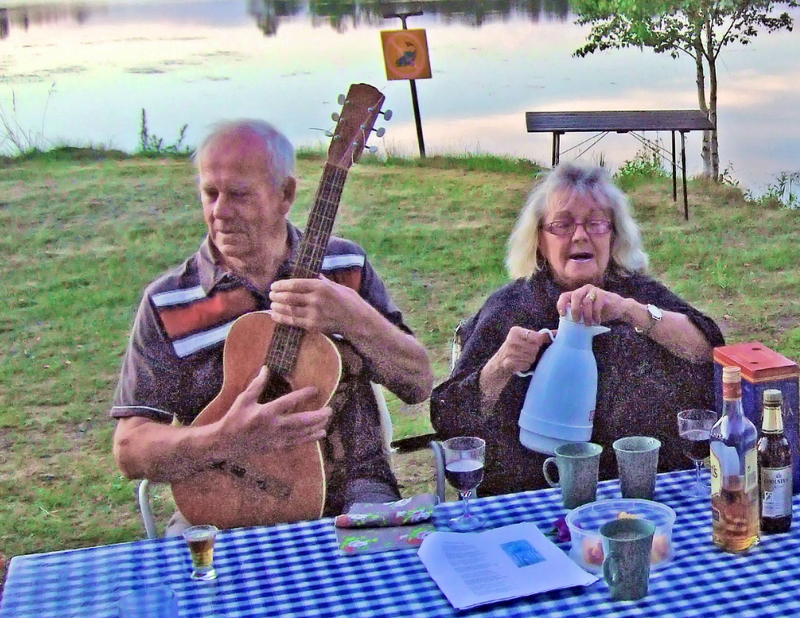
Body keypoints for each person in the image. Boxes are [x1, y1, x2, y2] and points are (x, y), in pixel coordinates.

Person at [112, 119, 433, 530]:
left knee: (381, 566)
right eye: (210, 194)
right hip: (221, 498)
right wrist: (224, 438)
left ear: (286, 194)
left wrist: (355, 318)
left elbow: (418, 384)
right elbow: (130, 448)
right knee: (192, 570)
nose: (220, 212)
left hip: (354, 490)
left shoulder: (344, 266)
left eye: (239, 194)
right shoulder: (169, 302)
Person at [431, 162, 724, 496]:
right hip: (534, 494)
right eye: (562, 225)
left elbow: (710, 351)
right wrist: (500, 366)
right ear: (539, 240)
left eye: (596, 223)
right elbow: (449, 417)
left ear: (613, 236)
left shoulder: (635, 294)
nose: (581, 235)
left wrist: (630, 311)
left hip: (643, 487)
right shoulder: (510, 308)